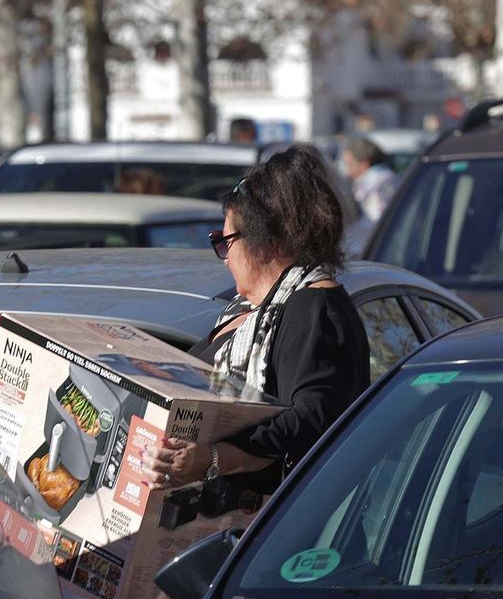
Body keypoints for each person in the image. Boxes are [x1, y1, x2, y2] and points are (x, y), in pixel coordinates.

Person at [143, 143, 369, 497]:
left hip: (272, 523)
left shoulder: (315, 308)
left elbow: (310, 420)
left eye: (226, 241)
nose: (224, 257)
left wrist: (214, 458)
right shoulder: (252, 309)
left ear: (267, 243)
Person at [340, 135, 398, 223]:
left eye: (349, 164)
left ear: (364, 163)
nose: (347, 172)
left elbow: (375, 221)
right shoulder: (390, 178)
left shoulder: (372, 186)